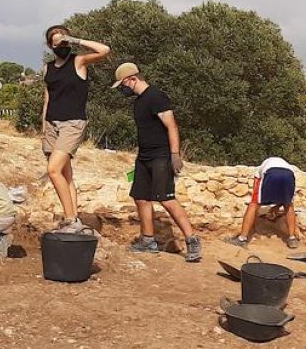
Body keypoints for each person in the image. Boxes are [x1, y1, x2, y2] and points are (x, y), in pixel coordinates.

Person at [112, 62, 201, 263]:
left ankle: (192, 240)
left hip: (161, 156)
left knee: (166, 198)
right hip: (143, 157)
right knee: (141, 197)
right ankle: (148, 241)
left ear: (132, 79)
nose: (122, 90)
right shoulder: (138, 102)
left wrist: (175, 154)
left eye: (123, 85)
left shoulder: (156, 97)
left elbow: (172, 126)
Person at [41, 25, 110, 234]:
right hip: (52, 124)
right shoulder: (47, 68)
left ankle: (71, 219)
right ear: (49, 45)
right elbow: (48, 97)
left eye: (63, 40)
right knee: (65, 174)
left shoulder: (78, 62)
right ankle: (73, 217)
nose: (60, 44)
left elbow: (104, 50)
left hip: (73, 123)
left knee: (53, 170)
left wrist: (75, 40)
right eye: (56, 41)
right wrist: (43, 125)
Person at [225, 156, 303, 249]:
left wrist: (257, 208)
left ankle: (242, 239)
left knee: (253, 204)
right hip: (289, 175)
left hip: (270, 173)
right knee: (288, 205)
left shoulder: (259, 169)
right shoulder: (287, 165)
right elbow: (284, 197)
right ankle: (292, 239)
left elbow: (255, 191)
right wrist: (277, 206)